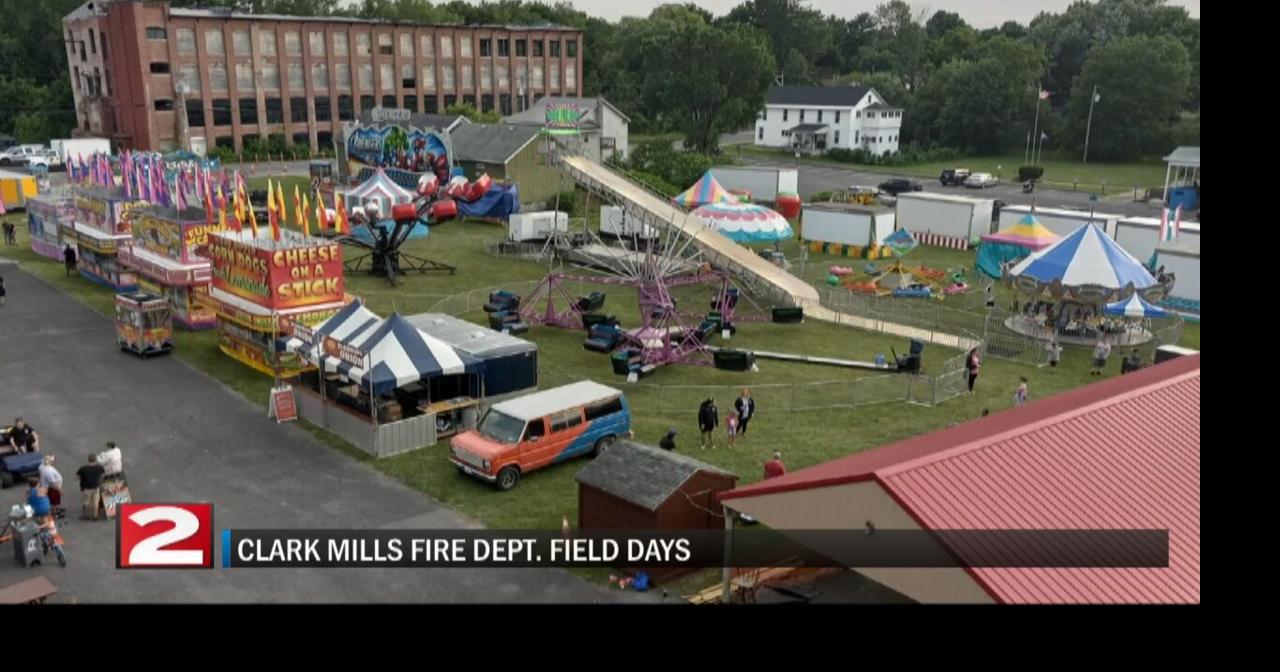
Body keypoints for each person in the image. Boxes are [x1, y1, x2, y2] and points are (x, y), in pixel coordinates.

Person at [77, 453, 106, 521]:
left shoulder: (83, 468)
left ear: (88, 460)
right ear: (95, 460)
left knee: (85, 502)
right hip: (96, 487)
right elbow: (103, 475)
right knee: (96, 502)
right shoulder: (99, 467)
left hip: (86, 488)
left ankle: (85, 515)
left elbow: (77, 477)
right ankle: (95, 516)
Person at [39, 455, 64, 519]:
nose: (53, 461)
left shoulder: (42, 466)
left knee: (54, 501)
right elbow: (52, 484)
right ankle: (54, 514)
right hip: (52, 489)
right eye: (52, 460)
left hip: (48, 487)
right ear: (50, 462)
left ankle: (56, 509)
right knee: (54, 502)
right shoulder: (49, 471)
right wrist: (59, 490)